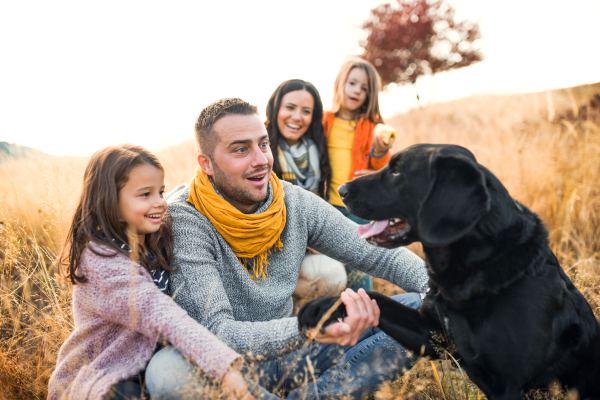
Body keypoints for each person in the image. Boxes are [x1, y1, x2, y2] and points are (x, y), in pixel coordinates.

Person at [146, 98, 429, 400]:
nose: (261, 160)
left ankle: (320, 394)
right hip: (230, 370)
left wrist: (446, 290)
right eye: (241, 149)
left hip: (300, 353)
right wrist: (308, 328)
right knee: (167, 371)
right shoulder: (185, 218)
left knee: (421, 307)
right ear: (207, 164)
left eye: (263, 144)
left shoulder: (291, 201)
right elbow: (217, 332)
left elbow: (373, 252)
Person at [47, 144, 260, 400]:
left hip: (153, 366)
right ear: (109, 200)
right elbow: (162, 315)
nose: (160, 201)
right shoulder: (102, 262)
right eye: (145, 194)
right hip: (106, 374)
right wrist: (224, 368)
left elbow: (185, 192)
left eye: (160, 191)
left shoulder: (147, 231)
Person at [265, 79, 345, 303]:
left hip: (309, 245)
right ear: (275, 108)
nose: (297, 117)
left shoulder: (317, 148)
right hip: (271, 248)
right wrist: (308, 240)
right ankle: (272, 298)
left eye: (306, 111)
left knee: (333, 278)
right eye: (290, 107)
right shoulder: (260, 148)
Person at [324, 57, 395, 292]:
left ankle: (367, 316)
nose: (357, 91)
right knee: (332, 267)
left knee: (359, 265)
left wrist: (379, 153)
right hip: (328, 206)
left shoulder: (370, 125)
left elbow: (379, 164)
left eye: (364, 88)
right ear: (341, 83)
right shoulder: (324, 121)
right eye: (353, 83)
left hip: (357, 209)